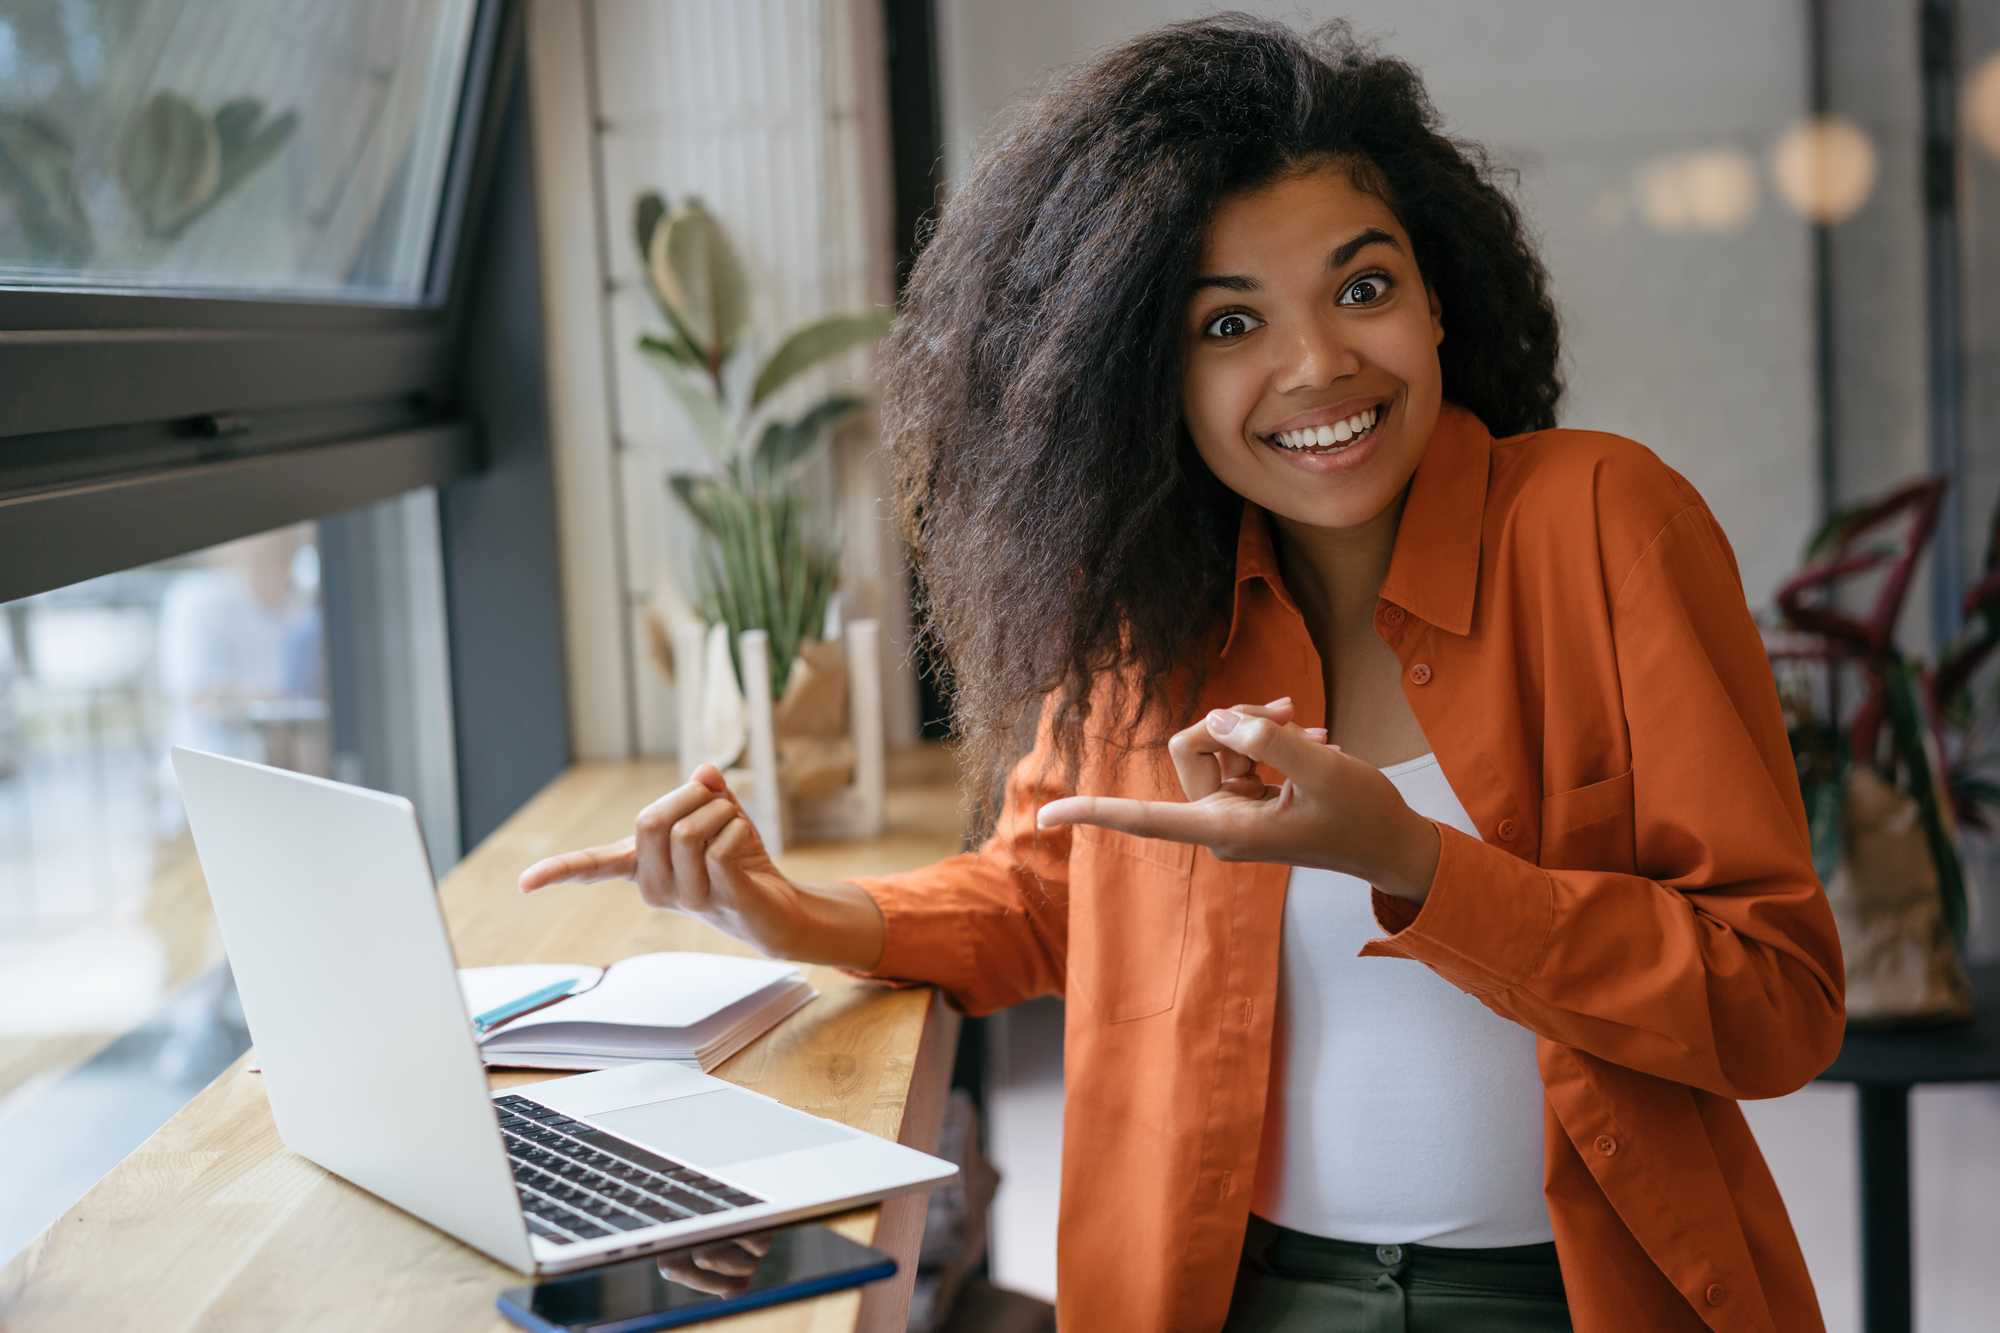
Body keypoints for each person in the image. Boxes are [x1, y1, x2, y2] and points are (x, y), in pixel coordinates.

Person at [521, 16, 1843, 1333]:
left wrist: (1419, 864)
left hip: (1571, 1297)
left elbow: (1778, 1000)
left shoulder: (1609, 520)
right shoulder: (1143, 608)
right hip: (1230, 1294)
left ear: (1437, 297)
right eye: (1229, 322)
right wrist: (794, 914)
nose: (1319, 361)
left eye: (1364, 286)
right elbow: (1051, 893)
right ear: (1145, 372)